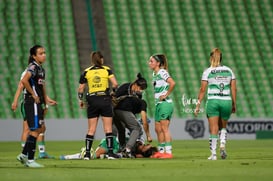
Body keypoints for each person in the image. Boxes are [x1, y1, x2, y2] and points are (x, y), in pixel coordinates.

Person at [194, 48, 236, 160]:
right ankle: (222, 145)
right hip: (226, 100)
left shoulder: (208, 71)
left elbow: (202, 90)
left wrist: (197, 105)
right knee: (223, 126)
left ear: (211, 58)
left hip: (213, 101)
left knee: (213, 128)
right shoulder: (229, 71)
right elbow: (234, 89)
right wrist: (234, 104)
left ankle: (213, 154)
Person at [16, 45, 55, 167]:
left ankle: (23, 155)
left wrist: (46, 98)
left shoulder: (41, 69)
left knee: (38, 129)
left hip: (38, 102)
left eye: (44, 52)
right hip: (31, 102)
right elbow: (24, 81)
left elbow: (41, 86)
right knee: (35, 129)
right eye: (40, 53)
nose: (44, 55)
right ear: (34, 56)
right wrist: (33, 94)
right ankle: (30, 160)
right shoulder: (33, 67)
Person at [78, 51, 119, 160]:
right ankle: (110, 153)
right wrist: (113, 93)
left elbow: (81, 88)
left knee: (91, 129)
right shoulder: (106, 70)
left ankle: (87, 154)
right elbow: (115, 84)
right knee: (108, 128)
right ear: (101, 59)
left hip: (92, 100)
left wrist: (80, 100)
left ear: (92, 60)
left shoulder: (86, 72)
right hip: (105, 98)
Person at [12, 68, 57, 159]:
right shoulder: (28, 72)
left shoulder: (40, 71)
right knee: (27, 129)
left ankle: (42, 152)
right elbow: (21, 85)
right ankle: (25, 153)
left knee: (41, 128)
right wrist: (15, 101)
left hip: (39, 102)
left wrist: (46, 99)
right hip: (29, 103)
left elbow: (40, 88)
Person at [112, 73, 149, 158]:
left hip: (123, 112)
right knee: (137, 128)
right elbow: (114, 97)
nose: (141, 90)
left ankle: (121, 150)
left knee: (121, 129)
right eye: (140, 88)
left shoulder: (138, 94)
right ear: (135, 84)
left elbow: (136, 106)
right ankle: (127, 149)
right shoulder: (125, 87)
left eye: (143, 89)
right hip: (119, 110)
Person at [148, 54, 176, 159]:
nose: (149, 63)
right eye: (149, 61)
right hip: (158, 104)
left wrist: (166, 95)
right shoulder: (154, 74)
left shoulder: (162, 72)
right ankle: (160, 152)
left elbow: (172, 83)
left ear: (158, 63)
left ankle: (168, 153)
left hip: (165, 104)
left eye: (151, 61)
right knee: (157, 129)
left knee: (164, 128)